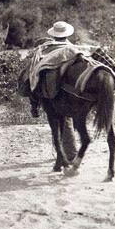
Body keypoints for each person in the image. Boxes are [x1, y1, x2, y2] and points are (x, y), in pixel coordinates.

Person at [30, 21, 78, 161]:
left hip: (51, 91)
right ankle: (66, 151)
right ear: (67, 34)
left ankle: (34, 104)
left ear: (54, 35)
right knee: (67, 119)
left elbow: (34, 71)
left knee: (58, 119)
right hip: (73, 89)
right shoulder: (73, 48)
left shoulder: (46, 49)